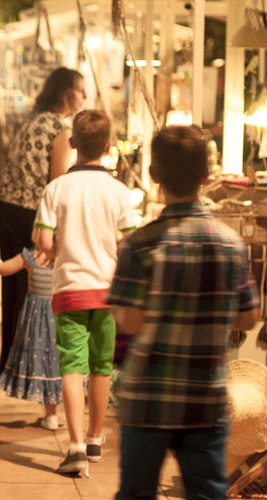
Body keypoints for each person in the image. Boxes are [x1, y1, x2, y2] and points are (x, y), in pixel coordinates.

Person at [108, 126, 260, 500]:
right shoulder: (229, 245)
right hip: (204, 397)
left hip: (147, 397)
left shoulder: (139, 244)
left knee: (137, 492)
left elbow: (129, 320)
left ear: (154, 176)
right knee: (207, 492)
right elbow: (248, 317)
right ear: (207, 178)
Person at [33, 110, 139, 477]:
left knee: (71, 367)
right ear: (109, 147)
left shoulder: (57, 188)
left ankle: (75, 446)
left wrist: (59, 245)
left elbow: (43, 241)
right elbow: (128, 244)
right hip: (108, 292)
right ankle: (95, 438)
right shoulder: (119, 191)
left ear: (73, 143)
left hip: (70, 290)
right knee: (101, 367)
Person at [0, 67, 86, 377]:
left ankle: (7, 359)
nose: (84, 97)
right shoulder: (59, 128)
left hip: (7, 206)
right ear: (65, 93)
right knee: (32, 290)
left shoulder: (31, 119)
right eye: (80, 90)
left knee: (12, 288)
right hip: (31, 213)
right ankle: (23, 365)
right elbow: (58, 182)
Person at [0, 242, 62, 430]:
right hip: (58, 316)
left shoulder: (30, 257)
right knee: (54, 362)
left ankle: (51, 415)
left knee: (41, 361)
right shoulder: (64, 258)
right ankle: (52, 414)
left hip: (36, 320)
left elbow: (0, 268)